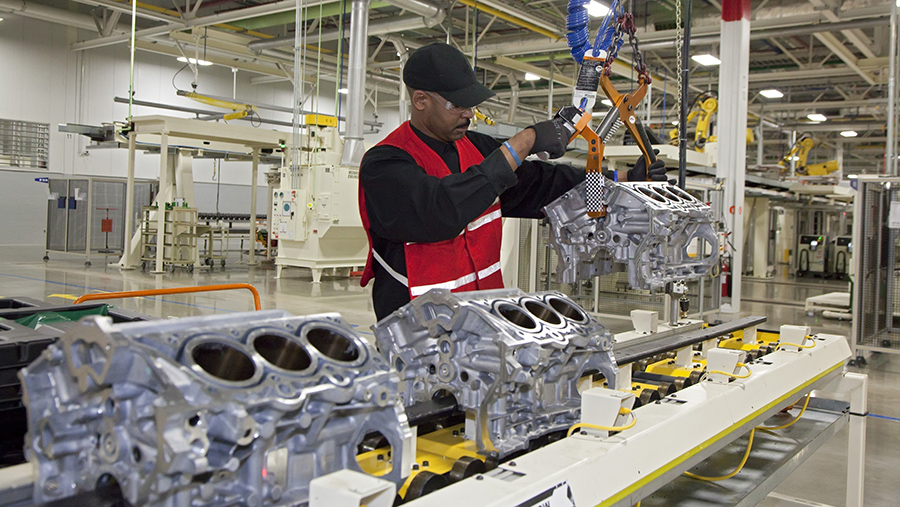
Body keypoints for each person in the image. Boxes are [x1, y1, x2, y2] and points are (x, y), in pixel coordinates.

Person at [358, 43, 665, 320]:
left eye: (471, 105)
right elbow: (441, 212)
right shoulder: (385, 164)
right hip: (416, 327)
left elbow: (543, 184)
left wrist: (622, 180)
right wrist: (524, 141)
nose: (469, 114)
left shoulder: (475, 148)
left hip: (481, 319)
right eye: (457, 105)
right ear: (421, 100)